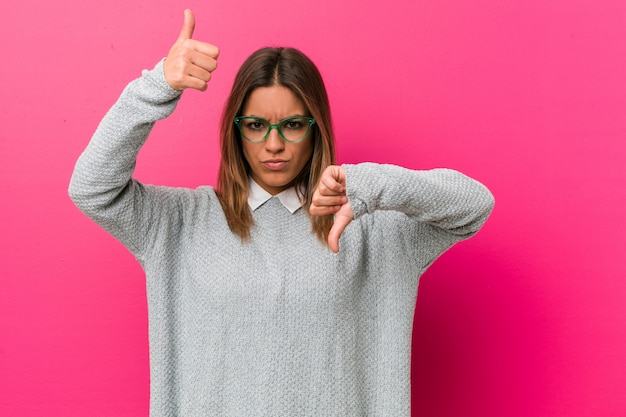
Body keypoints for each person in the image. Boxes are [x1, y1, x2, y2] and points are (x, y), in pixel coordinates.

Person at [69, 9, 494, 417]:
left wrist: (373, 185)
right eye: (255, 125)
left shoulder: (370, 228)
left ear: (316, 128)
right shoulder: (177, 222)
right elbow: (91, 188)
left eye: (292, 125)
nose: (274, 145)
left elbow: (474, 205)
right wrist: (157, 85)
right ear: (235, 131)